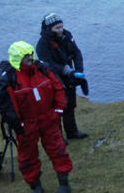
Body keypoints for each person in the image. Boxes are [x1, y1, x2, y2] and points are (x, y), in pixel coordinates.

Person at [0, 41, 73, 193]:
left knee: (58, 150)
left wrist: (58, 111)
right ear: (18, 58)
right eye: (25, 55)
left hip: (48, 119)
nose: (30, 57)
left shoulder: (42, 69)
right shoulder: (10, 78)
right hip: (26, 125)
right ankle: (35, 186)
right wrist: (18, 125)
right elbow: (7, 106)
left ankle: (64, 184)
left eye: (30, 53)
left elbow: (59, 87)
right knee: (27, 158)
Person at [36, 12, 88, 140]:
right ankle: (57, 136)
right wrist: (67, 70)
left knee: (70, 104)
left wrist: (78, 71)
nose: (60, 30)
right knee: (57, 108)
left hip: (69, 75)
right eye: (57, 28)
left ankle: (72, 132)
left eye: (61, 27)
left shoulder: (67, 35)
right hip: (52, 78)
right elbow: (47, 64)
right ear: (49, 29)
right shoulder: (42, 44)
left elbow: (76, 52)